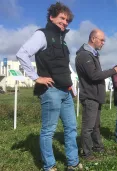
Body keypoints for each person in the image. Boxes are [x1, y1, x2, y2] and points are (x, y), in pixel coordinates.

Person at [16, 2, 82, 171]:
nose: (65, 22)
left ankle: (73, 163)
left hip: (66, 91)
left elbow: (65, 67)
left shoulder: (63, 40)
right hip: (51, 91)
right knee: (48, 131)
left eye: (67, 20)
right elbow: (22, 53)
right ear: (52, 17)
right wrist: (36, 77)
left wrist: (72, 87)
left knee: (71, 128)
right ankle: (49, 166)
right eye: (62, 18)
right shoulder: (42, 35)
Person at [75, 29, 117, 160]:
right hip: (90, 96)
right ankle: (86, 153)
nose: (103, 43)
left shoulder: (92, 54)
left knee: (96, 126)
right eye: (102, 40)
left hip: (95, 96)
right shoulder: (84, 55)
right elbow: (94, 75)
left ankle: (98, 147)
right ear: (93, 39)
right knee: (88, 127)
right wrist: (113, 71)